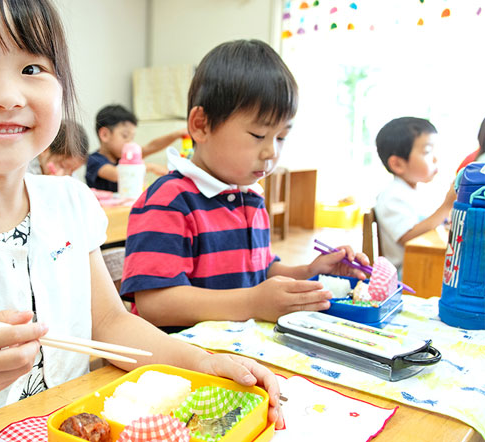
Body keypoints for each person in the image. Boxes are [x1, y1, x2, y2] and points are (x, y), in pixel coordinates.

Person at [0, 2, 283, 441]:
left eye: (32, 67)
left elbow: (112, 323)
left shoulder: (70, 203)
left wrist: (201, 361)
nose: (8, 97)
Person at [119, 39, 369, 333]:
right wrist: (252, 302)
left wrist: (310, 272)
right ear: (201, 125)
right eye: (258, 134)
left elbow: (260, 271)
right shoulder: (169, 200)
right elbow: (156, 305)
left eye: (281, 137)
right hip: (181, 360)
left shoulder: (249, 198)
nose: (271, 152)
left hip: (238, 350)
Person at [374, 117, 456, 272]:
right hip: (406, 274)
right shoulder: (392, 196)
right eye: (427, 151)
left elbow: (429, 224)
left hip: (423, 264)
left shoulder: (415, 191)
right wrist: (446, 206)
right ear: (397, 164)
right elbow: (409, 237)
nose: (435, 158)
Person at [85, 104, 187, 191]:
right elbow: (117, 174)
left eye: (132, 138)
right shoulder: (94, 160)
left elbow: (151, 147)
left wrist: (176, 135)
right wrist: (150, 167)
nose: (130, 142)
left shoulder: (127, 156)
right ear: (105, 135)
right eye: (125, 136)